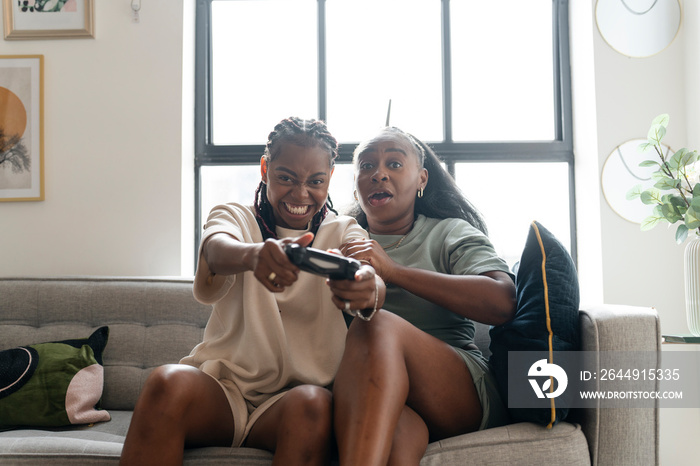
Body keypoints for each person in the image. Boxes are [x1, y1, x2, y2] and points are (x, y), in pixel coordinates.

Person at [119, 117, 384, 466]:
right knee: (166, 381)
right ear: (264, 168)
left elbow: (369, 270)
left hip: (291, 403)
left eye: (315, 182)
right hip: (223, 392)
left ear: (329, 179)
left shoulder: (344, 229)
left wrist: (369, 287)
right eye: (286, 177)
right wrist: (254, 255)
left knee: (312, 404)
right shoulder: (235, 216)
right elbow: (215, 248)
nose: (301, 194)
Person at [335, 126, 517, 465]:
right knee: (401, 435)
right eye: (366, 166)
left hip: (454, 390)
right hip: (370, 392)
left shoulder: (449, 231)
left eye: (394, 163)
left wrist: (394, 273)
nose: (379, 175)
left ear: (421, 179)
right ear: (356, 184)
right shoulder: (336, 238)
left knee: (374, 325)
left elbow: (501, 301)